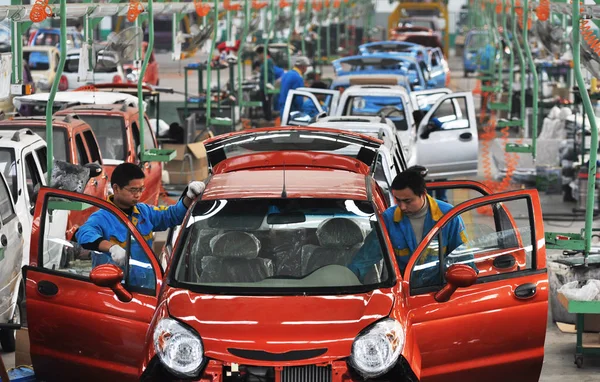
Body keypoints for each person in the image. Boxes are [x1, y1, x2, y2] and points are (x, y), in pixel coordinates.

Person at [76, 163, 205, 289]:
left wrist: (188, 197)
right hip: (113, 289)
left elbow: (172, 215)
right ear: (116, 188)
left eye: (141, 189)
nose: (138, 194)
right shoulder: (102, 217)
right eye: (133, 190)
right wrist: (112, 248)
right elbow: (83, 234)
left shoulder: (144, 212)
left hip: (145, 288)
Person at [348, 169, 469, 287]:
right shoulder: (388, 219)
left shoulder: (448, 216)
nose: (402, 207)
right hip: (405, 293)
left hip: (440, 292)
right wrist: (347, 279)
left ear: (423, 194)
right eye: (398, 200)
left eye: (407, 201)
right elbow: (365, 258)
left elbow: (463, 258)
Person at [255, 46, 276, 121]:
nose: (258, 57)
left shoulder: (268, 61)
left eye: (258, 55)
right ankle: (267, 119)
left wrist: (269, 84)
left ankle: (269, 120)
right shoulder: (264, 62)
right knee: (265, 105)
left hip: (267, 87)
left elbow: (270, 74)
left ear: (262, 54)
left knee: (267, 106)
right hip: (263, 86)